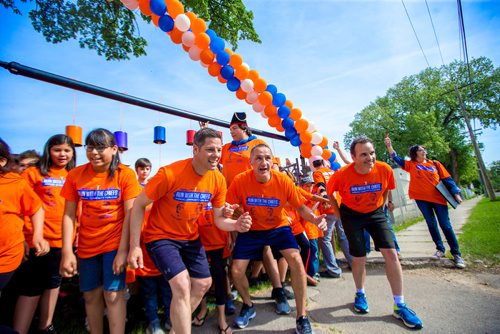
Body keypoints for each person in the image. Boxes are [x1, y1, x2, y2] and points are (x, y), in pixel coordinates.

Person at [127, 128, 251, 334]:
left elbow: (219, 219)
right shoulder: (170, 173)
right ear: (195, 149)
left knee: (203, 283)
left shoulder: (218, 180)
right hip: (161, 236)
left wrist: (235, 225)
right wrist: (134, 247)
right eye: (210, 149)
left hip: (190, 238)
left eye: (219, 150)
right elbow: (138, 205)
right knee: (182, 285)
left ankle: (176, 328)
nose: (216, 155)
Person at [226, 143, 327, 334]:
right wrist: (230, 219)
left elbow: (301, 208)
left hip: (278, 227)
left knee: (296, 260)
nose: (263, 162)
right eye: (258, 158)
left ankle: (302, 316)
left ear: (272, 161)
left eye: (267, 158)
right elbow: (228, 208)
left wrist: (315, 219)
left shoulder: (283, 181)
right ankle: (248, 305)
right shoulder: (240, 181)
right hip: (252, 230)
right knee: (237, 270)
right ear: (251, 163)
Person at [327, 136, 422, 329]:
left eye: (372, 153)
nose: (369, 158)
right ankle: (360, 293)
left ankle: (399, 304)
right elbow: (330, 194)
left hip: (376, 213)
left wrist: (384, 207)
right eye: (363, 154)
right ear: (353, 157)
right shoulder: (342, 174)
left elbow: (387, 189)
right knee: (359, 257)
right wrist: (338, 215)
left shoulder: (384, 169)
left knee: (391, 254)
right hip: (351, 215)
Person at [60, 128, 143, 334]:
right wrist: (67, 251)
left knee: (113, 294)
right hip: (87, 246)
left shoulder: (125, 174)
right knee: (90, 295)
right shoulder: (76, 175)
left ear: (114, 149)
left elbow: (130, 214)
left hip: (114, 244)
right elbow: (69, 215)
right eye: (90, 148)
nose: (94, 153)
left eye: (100, 148)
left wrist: (124, 251)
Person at [221, 112, 292, 313]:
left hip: (256, 203)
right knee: (233, 245)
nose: (231, 132)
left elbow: (274, 171)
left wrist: (280, 204)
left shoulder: (257, 143)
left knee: (264, 246)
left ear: (243, 127)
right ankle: (233, 289)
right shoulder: (226, 148)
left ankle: (278, 289)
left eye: (234, 128)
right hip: (233, 204)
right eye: (230, 129)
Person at [13, 134, 76, 334]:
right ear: (48, 150)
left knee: (53, 284)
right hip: (36, 240)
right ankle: (19, 329)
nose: (62, 154)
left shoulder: (73, 175)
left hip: (62, 240)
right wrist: (24, 238)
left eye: (67, 150)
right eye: (57, 149)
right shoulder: (33, 174)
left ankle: (45, 326)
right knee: (31, 288)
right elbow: (20, 205)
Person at [385, 135, 465, 268]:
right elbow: (395, 158)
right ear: (415, 153)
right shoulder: (411, 165)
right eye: (421, 150)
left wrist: (456, 194)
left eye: (424, 150)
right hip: (422, 200)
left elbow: (447, 179)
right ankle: (440, 249)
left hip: (439, 199)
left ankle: (457, 254)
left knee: (445, 225)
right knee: (431, 224)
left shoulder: (435, 164)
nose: (424, 152)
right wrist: (389, 146)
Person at [0, 138, 48, 293]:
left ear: (2, 161)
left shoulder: (16, 183)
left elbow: (36, 208)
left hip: (6, 255)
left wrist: (37, 236)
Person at [133, 158, 172, 334]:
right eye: (141, 169)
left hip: (161, 250)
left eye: (148, 168)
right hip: (143, 249)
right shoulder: (133, 189)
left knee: (166, 290)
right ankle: (153, 322)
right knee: (148, 292)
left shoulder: (160, 194)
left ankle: (170, 318)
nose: (145, 171)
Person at [309, 155, 352, 277]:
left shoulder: (317, 173)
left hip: (330, 208)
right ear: (323, 162)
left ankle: (333, 270)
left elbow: (321, 187)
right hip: (341, 206)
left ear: (313, 165)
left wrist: (327, 201)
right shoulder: (333, 172)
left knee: (325, 238)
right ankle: (353, 263)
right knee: (343, 236)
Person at [196, 201, 234, 334]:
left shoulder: (220, 190)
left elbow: (228, 216)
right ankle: (203, 309)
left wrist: (231, 237)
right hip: (199, 243)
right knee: (200, 279)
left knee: (219, 280)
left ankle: (222, 319)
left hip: (218, 242)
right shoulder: (198, 189)